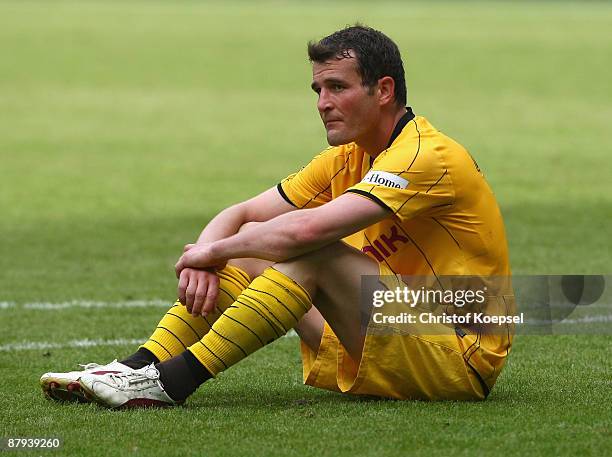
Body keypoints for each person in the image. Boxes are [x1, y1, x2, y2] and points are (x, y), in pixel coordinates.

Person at [40, 25, 513, 408]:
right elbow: (242, 213)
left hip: (457, 351)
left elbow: (305, 231)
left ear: (383, 89)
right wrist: (207, 257)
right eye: (317, 89)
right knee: (248, 249)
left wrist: (213, 250)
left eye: (337, 87)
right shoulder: (347, 157)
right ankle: (132, 370)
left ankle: (168, 384)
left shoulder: (426, 156)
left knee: (313, 253)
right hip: (394, 332)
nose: (322, 102)